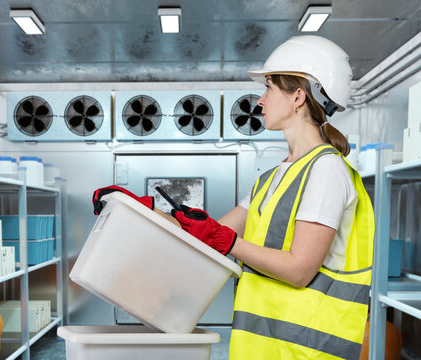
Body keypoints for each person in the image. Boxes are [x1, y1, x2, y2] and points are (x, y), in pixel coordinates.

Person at [92, 35, 374, 360]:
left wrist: (224, 240)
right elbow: (204, 239)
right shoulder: (271, 179)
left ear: (298, 97)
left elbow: (300, 269)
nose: (259, 101)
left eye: (269, 87)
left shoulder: (326, 171)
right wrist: (135, 209)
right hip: (262, 346)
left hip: (303, 351)